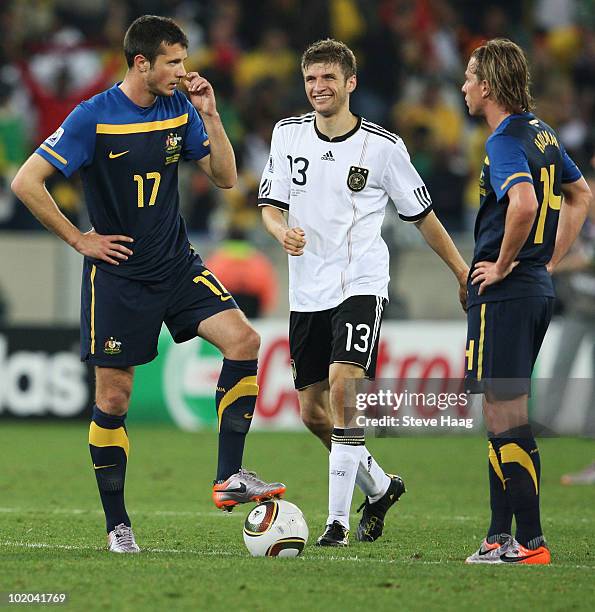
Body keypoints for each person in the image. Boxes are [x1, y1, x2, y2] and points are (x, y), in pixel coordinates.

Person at [11, 15, 285, 554]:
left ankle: (229, 477)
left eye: (184, 61)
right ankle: (118, 524)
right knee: (114, 397)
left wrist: (211, 114)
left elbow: (226, 178)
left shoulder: (180, 106)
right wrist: (78, 239)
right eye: (174, 63)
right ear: (141, 63)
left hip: (176, 264)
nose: (184, 72)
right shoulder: (94, 117)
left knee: (245, 341)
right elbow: (26, 182)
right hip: (118, 275)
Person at [259, 39, 469, 546]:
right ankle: (378, 486)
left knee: (343, 390)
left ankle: (336, 521)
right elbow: (269, 203)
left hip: (360, 282)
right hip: (307, 289)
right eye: (311, 79)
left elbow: (423, 216)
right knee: (312, 412)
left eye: (328, 78)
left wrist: (463, 274)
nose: (318, 88)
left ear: (350, 83)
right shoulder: (286, 135)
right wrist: (278, 231)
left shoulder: (383, 147)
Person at [461, 38, 592, 565]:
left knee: (507, 415)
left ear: (488, 85)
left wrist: (506, 262)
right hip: (534, 287)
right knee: (502, 412)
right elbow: (582, 195)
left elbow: (523, 203)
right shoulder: (542, 133)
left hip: (508, 293)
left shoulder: (504, 141)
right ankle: (499, 537)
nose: (464, 85)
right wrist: (549, 260)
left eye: (471, 76)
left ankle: (530, 542)